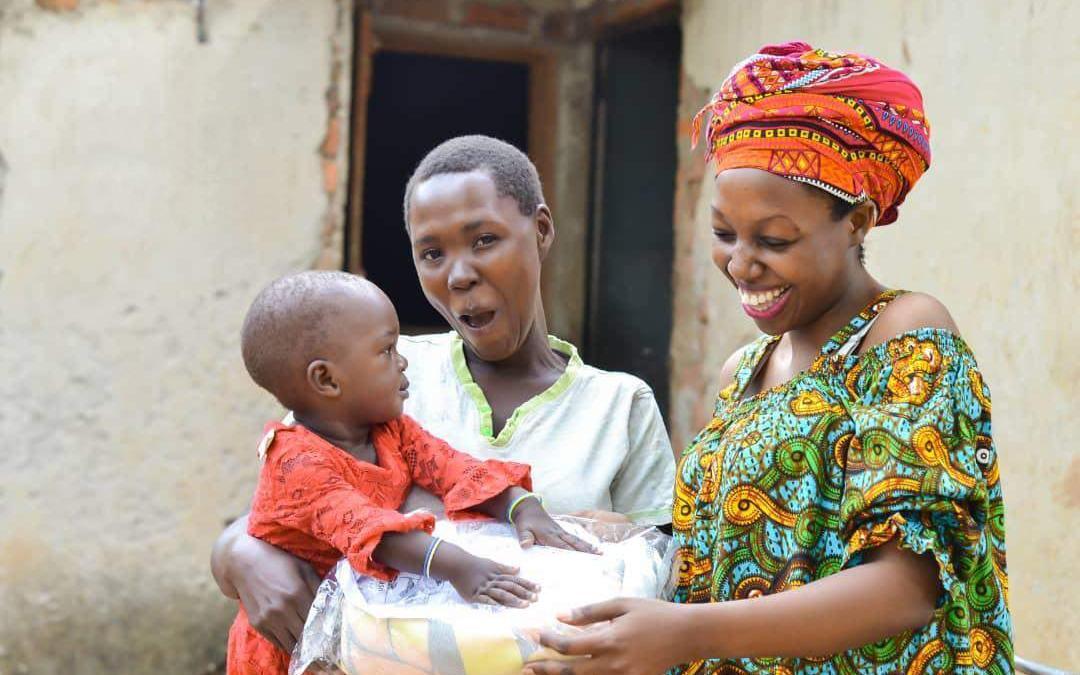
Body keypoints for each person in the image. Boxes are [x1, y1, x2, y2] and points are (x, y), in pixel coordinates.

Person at [526, 41, 1012, 674]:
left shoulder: (902, 336)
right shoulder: (744, 371)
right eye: (724, 233)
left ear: (858, 221)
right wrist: (616, 539)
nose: (741, 263)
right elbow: (741, 555)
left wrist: (688, 633)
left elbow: (907, 589)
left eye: (775, 239)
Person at [211, 135, 676, 654]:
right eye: (432, 253)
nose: (458, 275)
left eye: (484, 240)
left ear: (541, 230)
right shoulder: (377, 375)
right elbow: (290, 500)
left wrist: (599, 533)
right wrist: (237, 553)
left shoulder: (619, 405)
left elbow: (660, 577)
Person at [226, 271, 594, 674]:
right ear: (327, 379)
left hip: (357, 625)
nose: (401, 362)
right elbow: (372, 533)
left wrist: (521, 506)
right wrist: (461, 567)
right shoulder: (295, 461)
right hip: (293, 642)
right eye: (386, 351)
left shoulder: (389, 430)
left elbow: (453, 468)